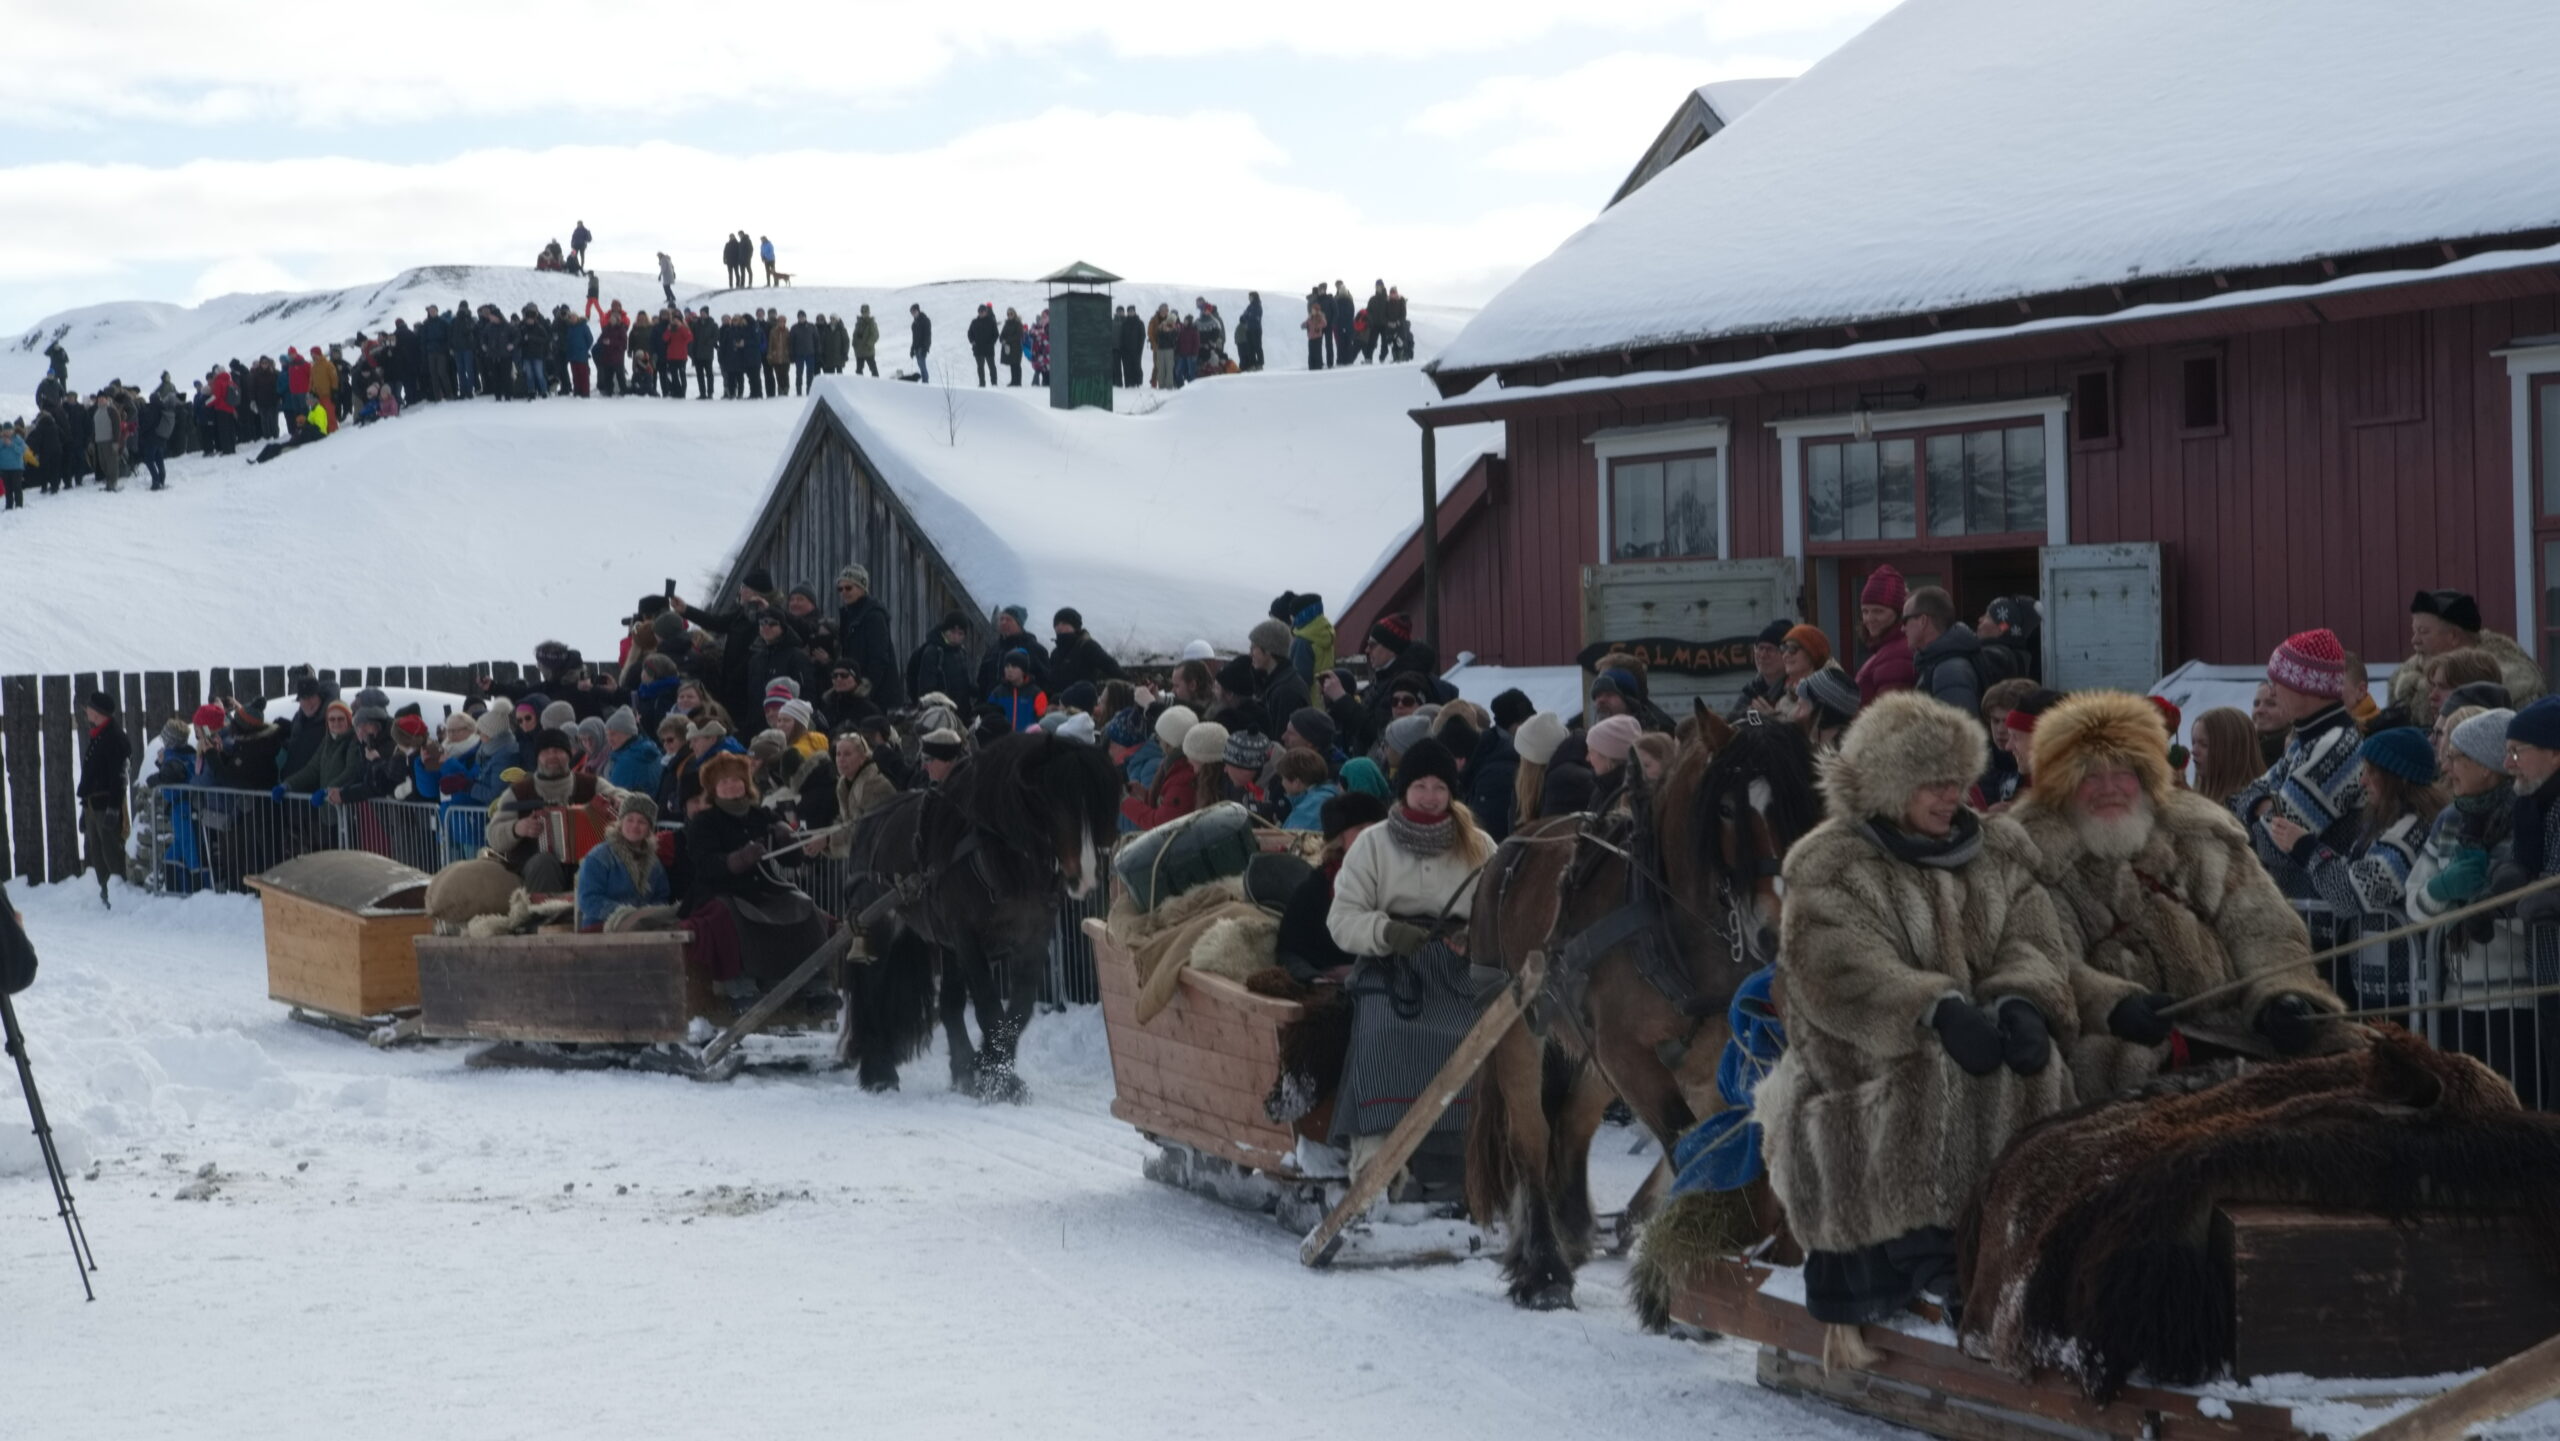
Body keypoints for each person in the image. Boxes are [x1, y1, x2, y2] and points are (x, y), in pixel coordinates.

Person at [1755, 689, 2077, 1330]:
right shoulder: (1832, 862)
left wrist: (2022, 998)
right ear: (1888, 782)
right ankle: (1940, 1257)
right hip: (1861, 1049)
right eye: (1932, 783)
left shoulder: (1997, 851)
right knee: (1935, 1077)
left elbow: (2031, 936)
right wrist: (1936, 1009)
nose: (1951, 796)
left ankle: (2027, 1244)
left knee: (2039, 1070)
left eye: (1957, 781)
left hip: (1978, 1025)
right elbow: (1838, 968)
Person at [2009, 689, 2341, 1095]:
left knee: (2348, 1063)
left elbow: (2261, 924)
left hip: (2234, 1028)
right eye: (2091, 776)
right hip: (2123, 1047)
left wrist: (2283, 992)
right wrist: (2113, 1004)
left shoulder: (2198, 835)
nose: (2110, 788)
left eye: (2123, 773)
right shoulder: (2039, 858)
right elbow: (2046, 958)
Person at [1324, 736, 1500, 1187]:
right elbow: (1342, 919)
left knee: (1482, 1039)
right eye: (1420, 785)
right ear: (1404, 790)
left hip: (1459, 970)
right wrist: (1386, 933)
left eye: (1439, 787)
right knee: (1383, 1031)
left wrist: (1475, 937)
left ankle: (1477, 1156)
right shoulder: (1372, 844)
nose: (1430, 795)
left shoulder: (1479, 845)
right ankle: (1375, 1159)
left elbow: (1500, 911)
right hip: (1390, 967)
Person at [2234, 629, 2366, 897]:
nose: (2272, 691)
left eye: (2278, 681)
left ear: (2306, 686)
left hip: (2322, 913)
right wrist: (2265, 806)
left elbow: (2274, 846)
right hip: (2302, 907)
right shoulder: (2306, 740)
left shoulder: (2334, 747)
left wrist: (2265, 805)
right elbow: (2245, 796)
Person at [2391, 589, 2545, 719]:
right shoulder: (2409, 672)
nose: (2414, 640)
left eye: (2423, 632)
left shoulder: (2514, 684)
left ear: (2453, 636)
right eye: (2414, 631)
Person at [575, 798, 672, 932]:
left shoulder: (654, 863)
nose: (635, 826)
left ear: (649, 829)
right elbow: (588, 899)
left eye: (642, 822)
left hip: (642, 926)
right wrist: (626, 914)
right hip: (601, 926)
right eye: (629, 820)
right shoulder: (599, 856)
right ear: (620, 823)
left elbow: (662, 896)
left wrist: (648, 914)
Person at [78, 692, 133, 906]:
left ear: (98, 713)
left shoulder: (115, 738)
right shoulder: (99, 734)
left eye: (90, 708)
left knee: (111, 851)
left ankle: (119, 896)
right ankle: (105, 892)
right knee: (98, 852)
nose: (86, 711)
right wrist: (85, 806)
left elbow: (120, 777)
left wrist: (113, 808)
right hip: (94, 805)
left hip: (106, 804)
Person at [1900, 586, 1986, 719]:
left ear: (1923, 621)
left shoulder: (1949, 671)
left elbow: (1957, 729)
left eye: (1905, 620)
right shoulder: (1938, 663)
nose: (1902, 628)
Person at [1853, 565, 1915, 703]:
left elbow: (1889, 712)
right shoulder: (1886, 649)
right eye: (1865, 611)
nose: (1869, 618)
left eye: (1878, 611)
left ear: (1899, 613)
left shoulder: (1897, 654)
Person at [2186, 706, 2262, 808]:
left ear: (2232, 751)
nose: (2193, 751)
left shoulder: (2251, 807)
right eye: (2193, 743)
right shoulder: (2201, 799)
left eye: (2204, 744)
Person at [907, 611, 975, 707]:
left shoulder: (961, 652)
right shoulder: (933, 652)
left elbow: (964, 684)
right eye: (952, 632)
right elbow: (926, 689)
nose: (956, 637)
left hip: (960, 711)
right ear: (945, 631)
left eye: (960, 634)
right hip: (940, 710)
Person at [1731, 620, 1796, 719]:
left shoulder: (1795, 692)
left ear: (1785, 655)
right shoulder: (1751, 691)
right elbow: (1731, 723)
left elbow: (1800, 728)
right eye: (1760, 648)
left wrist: (1772, 718)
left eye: (1770, 649)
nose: (1763, 655)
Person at [1275, 747, 1339, 830]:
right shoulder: (1329, 795)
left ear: (1296, 783)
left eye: (1283, 778)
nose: (1282, 783)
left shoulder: (1309, 808)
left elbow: (1291, 837)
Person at [908, 304, 933, 383]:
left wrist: (925, 348)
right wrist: (912, 349)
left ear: (918, 311)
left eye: (914, 311)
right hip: (916, 348)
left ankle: (925, 382)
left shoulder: (925, 320)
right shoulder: (914, 324)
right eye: (912, 312)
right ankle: (924, 382)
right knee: (920, 365)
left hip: (922, 348)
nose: (913, 314)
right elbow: (914, 338)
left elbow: (928, 335)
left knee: (922, 366)